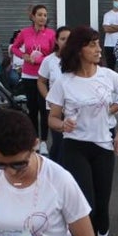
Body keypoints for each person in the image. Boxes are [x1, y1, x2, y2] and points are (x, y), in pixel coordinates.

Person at [47, 26, 118, 236]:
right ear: (78, 49)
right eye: (92, 45)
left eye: (99, 44)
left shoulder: (109, 76)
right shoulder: (64, 81)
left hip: (103, 148)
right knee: (86, 205)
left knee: (102, 208)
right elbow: (52, 118)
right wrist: (62, 125)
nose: (99, 49)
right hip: (75, 147)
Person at [11, 5, 57, 154]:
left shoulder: (51, 34)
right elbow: (14, 48)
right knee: (32, 109)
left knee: (44, 109)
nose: (42, 17)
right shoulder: (25, 32)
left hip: (44, 76)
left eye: (45, 15)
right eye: (39, 15)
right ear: (33, 16)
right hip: (28, 75)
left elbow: (53, 53)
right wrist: (24, 56)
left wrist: (40, 59)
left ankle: (44, 141)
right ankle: (34, 140)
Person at [37, 26, 71, 162]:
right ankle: (54, 168)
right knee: (58, 142)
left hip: (73, 107)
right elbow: (41, 81)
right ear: (56, 41)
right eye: (63, 39)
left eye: (69, 39)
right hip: (54, 108)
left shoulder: (78, 59)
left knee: (70, 143)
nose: (66, 42)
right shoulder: (49, 61)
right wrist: (49, 98)